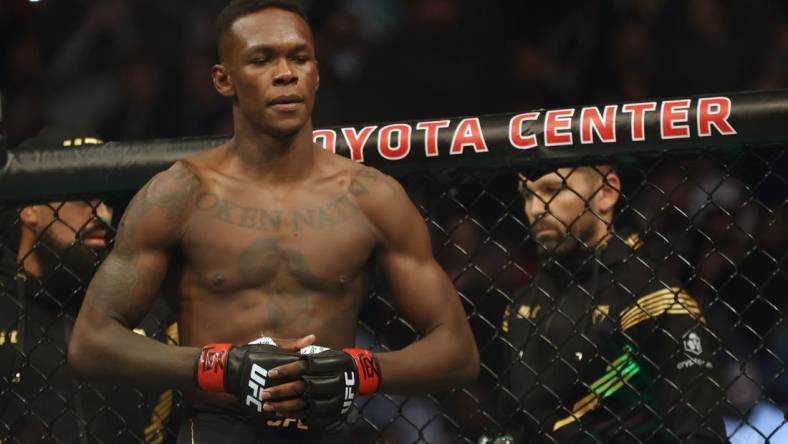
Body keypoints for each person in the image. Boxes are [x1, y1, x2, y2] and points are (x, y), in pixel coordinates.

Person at [68, 1, 479, 442]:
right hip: (216, 430)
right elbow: (92, 342)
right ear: (224, 80)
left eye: (299, 58)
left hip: (328, 430)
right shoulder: (180, 193)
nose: (286, 74)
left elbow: (458, 351)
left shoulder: (372, 197)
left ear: (316, 74)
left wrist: (359, 369)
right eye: (262, 60)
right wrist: (218, 366)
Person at [487, 166, 725, 443]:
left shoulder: (653, 298)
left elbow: (701, 433)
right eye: (527, 195)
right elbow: (511, 427)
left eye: (553, 190)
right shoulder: (520, 306)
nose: (535, 208)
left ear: (606, 193)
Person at [0, 126, 179, 443]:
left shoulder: (143, 307)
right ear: (30, 207)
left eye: (107, 202)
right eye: (84, 199)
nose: (103, 215)